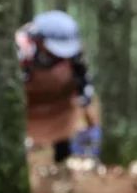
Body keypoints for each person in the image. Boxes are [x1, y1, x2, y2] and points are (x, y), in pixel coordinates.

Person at [15, 10, 95, 164]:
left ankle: (62, 160)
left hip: (60, 103)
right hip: (29, 103)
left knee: (64, 132)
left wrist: (85, 99)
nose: (60, 55)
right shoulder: (22, 48)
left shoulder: (74, 52)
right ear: (39, 40)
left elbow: (83, 76)